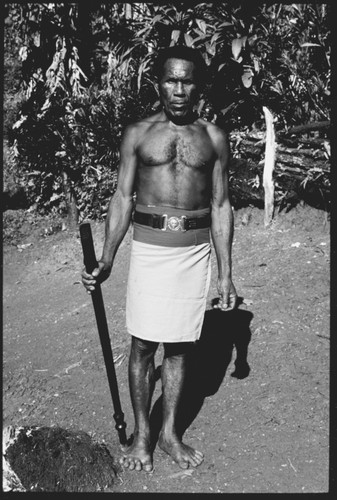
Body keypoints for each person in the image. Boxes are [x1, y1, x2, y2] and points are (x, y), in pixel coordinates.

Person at [81, 45, 237, 472]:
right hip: (150, 248)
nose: (179, 89)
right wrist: (108, 257)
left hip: (193, 250)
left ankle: (169, 432)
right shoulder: (138, 133)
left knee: (183, 345)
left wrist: (226, 275)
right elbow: (122, 196)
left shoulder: (213, 137)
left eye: (187, 81)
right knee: (143, 344)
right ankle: (142, 436)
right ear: (158, 84)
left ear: (199, 87)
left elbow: (222, 205)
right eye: (171, 80)